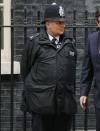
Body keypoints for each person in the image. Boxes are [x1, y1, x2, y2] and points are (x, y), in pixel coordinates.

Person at [20, 3, 77, 131]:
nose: (62, 25)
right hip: (41, 103)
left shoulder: (69, 42)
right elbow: (25, 70)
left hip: (64, 104)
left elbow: (71, 73)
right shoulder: (34, 42)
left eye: (63, 22)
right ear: (48, 24)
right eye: (58, 22)